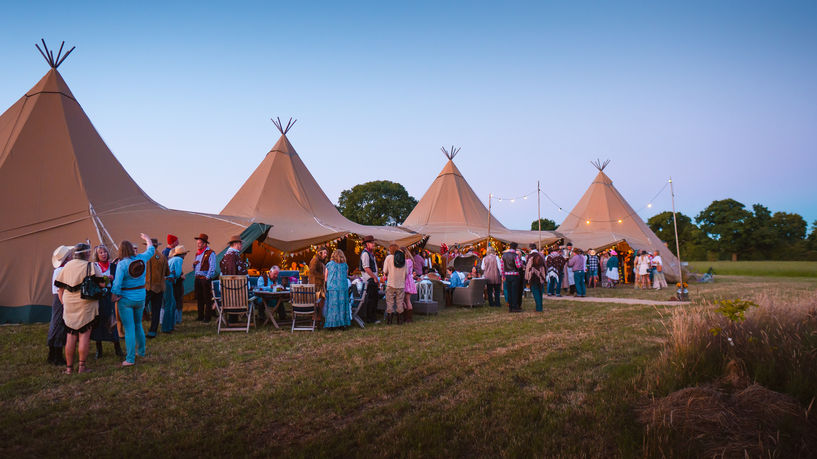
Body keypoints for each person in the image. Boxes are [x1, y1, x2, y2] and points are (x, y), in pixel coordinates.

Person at [54, 243, 103, 374]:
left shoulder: (67, 266)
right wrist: (108, 278)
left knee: (70, 336)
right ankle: (82, 367)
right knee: (84, 336)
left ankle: (69, 369)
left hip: (69, 303)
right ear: (86, 254)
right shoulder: (91, 266)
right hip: (86, 304)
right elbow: (102, 283)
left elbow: (60, 288)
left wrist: (64, 303)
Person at [111, 233, 155, 367]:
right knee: (138, 325)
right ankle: (141, 351)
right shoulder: (142, 258)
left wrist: (114, 295)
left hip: (126, 299)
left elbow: (117, 284)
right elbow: (151, 250)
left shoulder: (122, 264)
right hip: (141, 297)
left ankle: (130, 359)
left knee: (129, 328)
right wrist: (147, 239)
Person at [91, 245, 123, 358]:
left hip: (110, 295)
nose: (103, 254)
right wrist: (106, 279)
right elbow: (93, 282)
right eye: (100, 252)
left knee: (112, 320)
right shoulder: (94, 267)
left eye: (105, 252)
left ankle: (117, 347)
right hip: (99, 296)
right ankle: (99, 349)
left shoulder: (114, 266)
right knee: (98, 321)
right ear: (97, 255)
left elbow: (118, 281)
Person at [47, 245, 72, 366]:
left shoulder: (59, 270)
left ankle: (52, 353)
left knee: (56, 323)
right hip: (61, 298)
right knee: (59, 324)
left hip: (58, 297)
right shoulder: (61, 271)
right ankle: (57, 355)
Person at [144, 238, 169, 338]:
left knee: (138, 307)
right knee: (156, 310)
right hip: (160, 287)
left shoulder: (146, 256)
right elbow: (167, 272)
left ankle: (136, 329)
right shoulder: (163, 257)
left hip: (148, 287)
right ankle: (153, 331)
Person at [163, 245, 188, 332]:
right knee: (170, 305)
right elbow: (177, 273)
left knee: (171, 304)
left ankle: (170, 326)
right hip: (169, 281)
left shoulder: (172, 259)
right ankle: (167, 327)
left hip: (166, 281)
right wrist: (180, 276)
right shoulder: (179, 260)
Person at [324, 250, 351, 329]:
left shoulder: (329, 265)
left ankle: (331, 324)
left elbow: (326, 279)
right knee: (342, 306)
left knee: (333, 306)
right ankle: (342, 324)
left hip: (332, 288)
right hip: (342, 287)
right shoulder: (345, 265)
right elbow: (346, 276)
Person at [192, 233, 216, 322]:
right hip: (198, 277)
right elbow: (196, 265)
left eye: (199, 243)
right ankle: (200, 316)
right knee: (199, 297)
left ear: (204, 244)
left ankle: (207, 317)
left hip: (204, 278)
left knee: (207, 298)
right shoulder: (198, 253)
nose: (198, 245)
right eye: (197, 243)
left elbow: (212, 266)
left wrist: (208, 277)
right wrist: (193, 265)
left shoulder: (210, 253)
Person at [383, 244, 407, 324]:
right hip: (400, 283)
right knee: (400, 301)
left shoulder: (388, 258)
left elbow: (385, 270)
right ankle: (399, 320)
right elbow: (406, 273)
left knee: (390, 301)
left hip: (391, 283)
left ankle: (389, 320)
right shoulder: (403, 258)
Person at [359, 235, 380, 323]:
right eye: (372, 243)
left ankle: (372, 317)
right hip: (369, 279)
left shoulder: (370, 253)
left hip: (372, 278)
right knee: (371, 299)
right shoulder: (365, 254)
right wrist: (374, 277)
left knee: (374, 298)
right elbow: (366, 268)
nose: (374, 244)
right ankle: (370, 318)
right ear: (367, 244)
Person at [308, 247, 328, 324]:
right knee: (317, 302)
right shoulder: (315, 260)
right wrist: (323, 277)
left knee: (322, 300)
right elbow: (312, 272)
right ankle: (315, 318)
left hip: (320, 285)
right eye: (324, 253)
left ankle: (319, 318)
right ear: (319, 253)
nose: (326, 255)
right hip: (315, 285)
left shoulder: (320, 261)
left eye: (326, 253)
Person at [502, 242, 523, 312]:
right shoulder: (515, 255)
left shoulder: (504, 255)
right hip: (514, 274)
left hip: (507, 275)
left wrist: (503, 275)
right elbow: (518, 266)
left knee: (509, 291)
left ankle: (510, 307)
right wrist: (521, 263)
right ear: (515, 247)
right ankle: (514, 307)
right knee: (514, 291)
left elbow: (502, 266)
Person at [402, 247, 416, 323]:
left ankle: (407, 317)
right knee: (407, 300)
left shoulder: (406, 261)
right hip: (410, 280)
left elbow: (405, 272)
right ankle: (408, 317)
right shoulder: (410, 260)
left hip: (405, 280)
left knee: (405, 299)